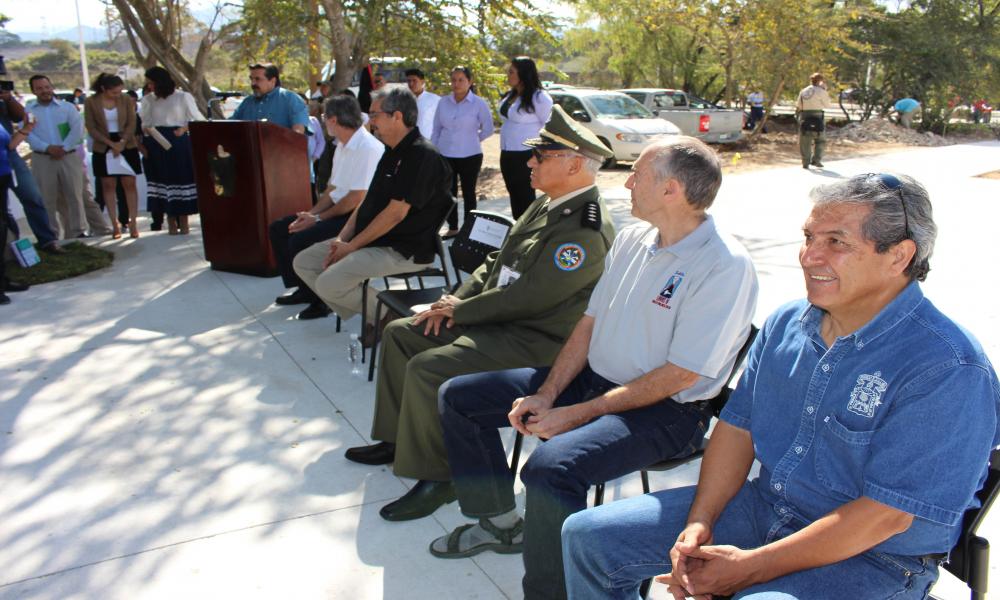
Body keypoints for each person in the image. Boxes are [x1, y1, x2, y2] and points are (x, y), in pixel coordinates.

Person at [561, 173, 1000, 600]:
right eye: (810, 238)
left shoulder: (947, 367)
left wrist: (746, 571)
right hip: (765, 509)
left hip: (873, 558)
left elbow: (884, 518)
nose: (809, 256)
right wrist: (698, 527)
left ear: (899, 256)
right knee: (588, 537)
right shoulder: (787, 324)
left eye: (836, 242)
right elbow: (737, 429)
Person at [434, 136, 759, 600]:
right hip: (596, 383)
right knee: (459, 397)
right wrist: (548, 394)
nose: (625, 182)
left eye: (637, 175)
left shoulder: (724, 265)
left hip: (667, 411)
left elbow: (680, 376)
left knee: (550, 467)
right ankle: (501, 521)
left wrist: (576, 413)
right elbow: (589, 323)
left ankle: (549, 593)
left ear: (672, 191)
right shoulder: (632, 237)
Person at [347, 105, 616, 523]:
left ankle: (441, 477)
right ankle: (398, 439)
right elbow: (496, 262)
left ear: (575, 164)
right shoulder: (547, 204)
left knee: (430, 366)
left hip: (536, 341)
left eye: (540, 156)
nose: (529, 161)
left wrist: (464, 311)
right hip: (500, 322)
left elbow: (531, 297)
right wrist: (451, 302)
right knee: (402, 333)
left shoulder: (583, 228)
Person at [292, 87, 452, 335]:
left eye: (375, 114)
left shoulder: (423, 155)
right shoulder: (390, 151)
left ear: (396, 116)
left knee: (329, 282)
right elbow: (367, 203)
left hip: (403, 249)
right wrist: (342, 238)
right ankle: (376, 315)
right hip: (374, 241)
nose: (370, 121)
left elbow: (395, 214)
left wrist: (352, 246)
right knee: (304, 262)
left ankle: (389, 317)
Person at [271, 95, 384, 319]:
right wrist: (310, 214)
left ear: (333, 120)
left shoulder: (368, 147)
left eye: (324, 118)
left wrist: (319, 219)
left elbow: (356, 198)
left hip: (356, 217)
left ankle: (322, 301)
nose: (322, 122)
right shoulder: (341, 145)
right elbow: (333, 189)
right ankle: (305, 289)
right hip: (339, 209)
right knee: (280, 228)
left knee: (301, 239)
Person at [25, 74, 110, 239]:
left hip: (68, 156)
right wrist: (47, 148)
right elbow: (28, 134)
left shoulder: (67, 108)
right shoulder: (28, 111)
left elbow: (77, 130)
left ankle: (78, 232)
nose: (44, 91)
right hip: (43, 158)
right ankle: (52, 235)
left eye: (47, 87)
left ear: (52, 87)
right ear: (33, 91)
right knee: (47, 198)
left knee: (75, 195)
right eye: (40, 88)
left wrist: (63, 148)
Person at [140, 66, 205, 235]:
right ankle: (170, 224)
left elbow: (198, 118)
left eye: (152, 83)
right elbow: (144, 122)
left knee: (180, 180)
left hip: (177, 143)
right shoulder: (148, 100)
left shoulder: (183, 97)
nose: (150, 86)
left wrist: (184, 129)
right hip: (156, 143)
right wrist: (147, 131)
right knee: (163, 181)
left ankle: (184, 223)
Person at [431, 66, 494, 238]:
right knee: (448, 193)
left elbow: (488, 129)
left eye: (461, 80)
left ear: (470, 82)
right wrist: (434, 149)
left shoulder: (479, 104)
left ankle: (469, 228)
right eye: (454, 80)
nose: (456, 84)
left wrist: (472, 140)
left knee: (468, 192)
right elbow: (436, 129)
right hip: (446, 154)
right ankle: (453, 227)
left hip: (470, 155)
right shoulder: (443, 102)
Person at [0, 86, 63, 253]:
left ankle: (48, 241)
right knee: (3, 210)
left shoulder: (4, 101)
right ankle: (11, 247)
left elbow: (19, 117)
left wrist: (8, 98)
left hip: (10, 155)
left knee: (33, 196)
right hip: (6, 153)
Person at [84, 73, 143, 239]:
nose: (118, 95)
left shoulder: (125, 100)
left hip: (126, 143)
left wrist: (122, 142)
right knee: (108, 185)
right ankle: (114, 224)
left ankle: (132, 222)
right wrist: (111, 144)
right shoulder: (91, 102)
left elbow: (132, 122)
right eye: (114, 92)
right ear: (103, 89)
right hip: (103, 145)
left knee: (129, 183)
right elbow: (91, 126)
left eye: (120, 91)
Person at [498, 56, 553, 219]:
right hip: (507, 152)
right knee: (513, 191)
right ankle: (518, 228)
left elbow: (549, 126)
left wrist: (543, 154)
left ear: (523, 74)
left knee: (525, 194)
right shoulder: (511, 95)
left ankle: (530, 230)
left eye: (511, 72)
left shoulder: (539, 97)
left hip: (526, 153)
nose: (508, 75)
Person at [0, 113, 36, 305]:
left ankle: (3, 281)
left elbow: (10, 145)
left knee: (3, 229)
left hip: (3, 175)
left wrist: (26, 130)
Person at [231, 63, 308, 134]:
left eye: (258, 79)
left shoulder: (291, 100)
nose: (253, 83)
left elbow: (298, 134)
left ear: (272, 81)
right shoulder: (247, 102)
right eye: (251, 79)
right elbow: (230, 126)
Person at [796, 72, 831, 169]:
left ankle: (805, 162)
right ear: (820, 81)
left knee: (805, 140)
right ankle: (817, 160)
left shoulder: (803, 91)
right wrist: (824, 90)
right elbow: (827, 105)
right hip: (818, 115)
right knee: (820, 139)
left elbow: (799, 105)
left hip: (805, 116)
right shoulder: (821, 91)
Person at [404, 68, 440, 139]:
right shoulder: (403, 99)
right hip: (407, 141)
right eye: (409, 81)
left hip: (428, 141)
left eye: (414, 81)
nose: (411, 84)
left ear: (422, 82)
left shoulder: (434, 99)